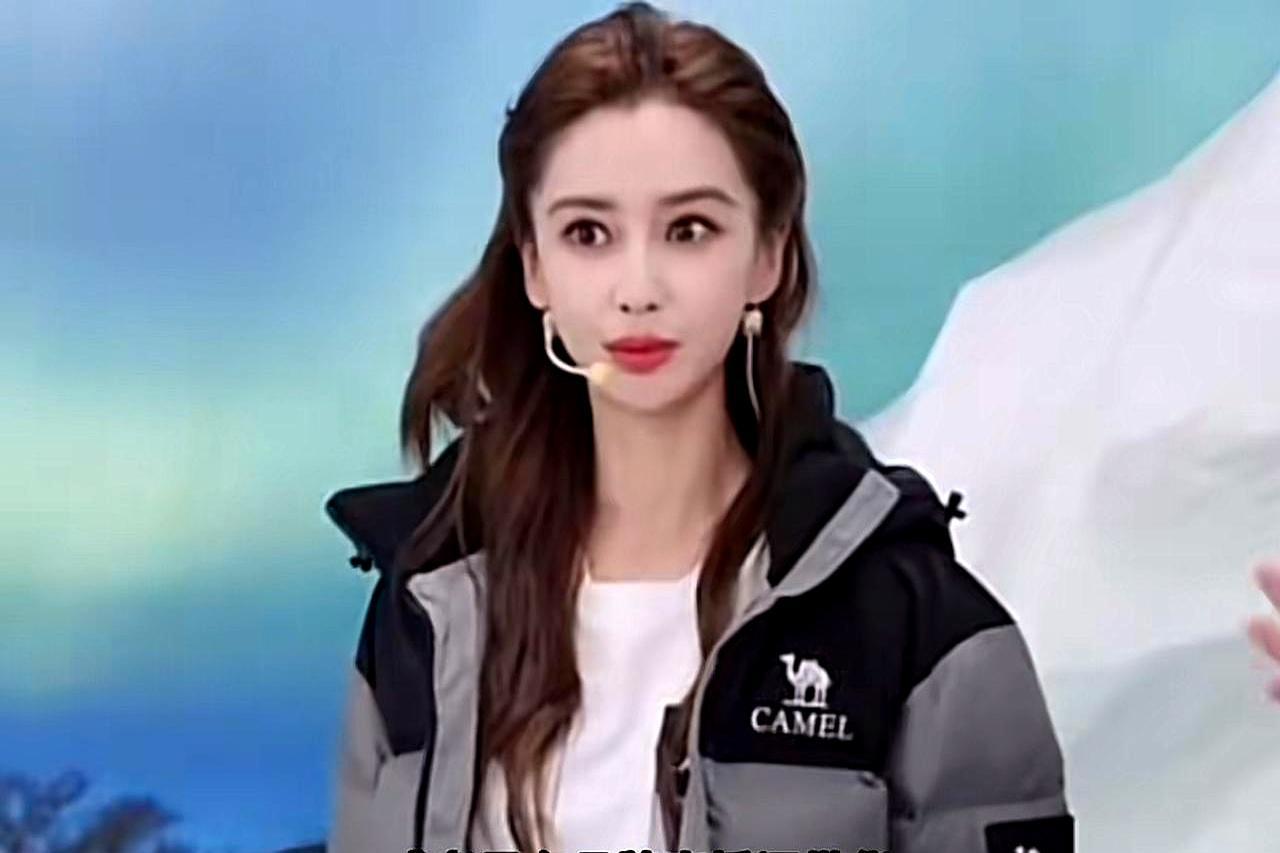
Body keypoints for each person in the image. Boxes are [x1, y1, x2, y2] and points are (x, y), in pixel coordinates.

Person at [321, 3, 1075, 852]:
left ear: (767, 255)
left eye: (689, 230)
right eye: (588, 233)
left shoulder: (917, 624)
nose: (638, 288)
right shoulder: (425, 609)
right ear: (534, 267)